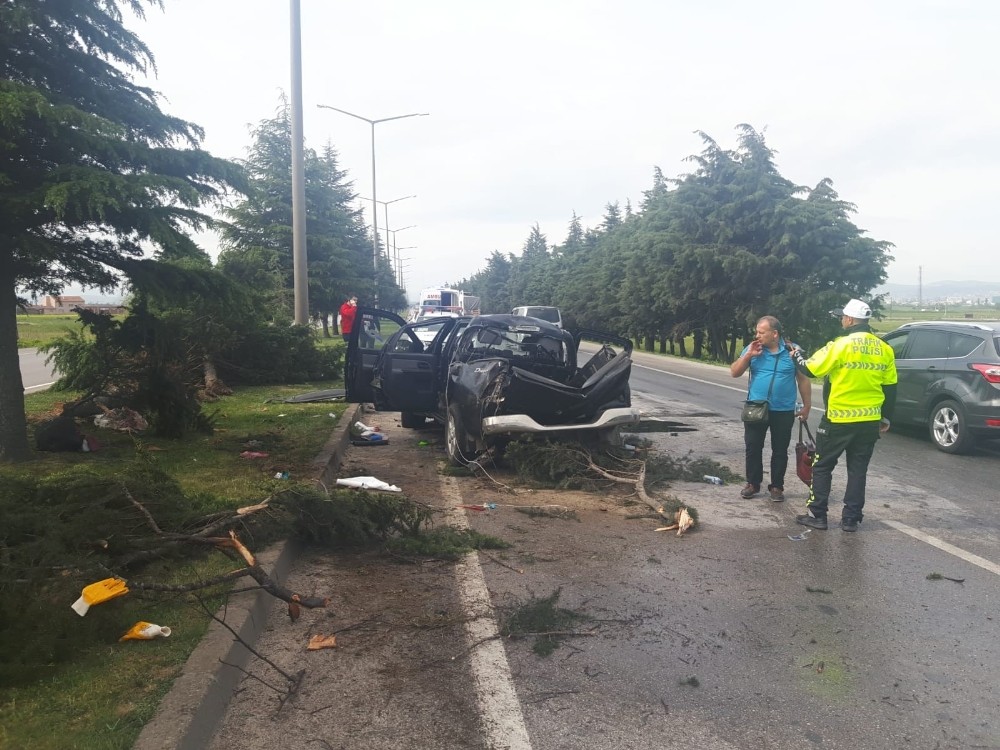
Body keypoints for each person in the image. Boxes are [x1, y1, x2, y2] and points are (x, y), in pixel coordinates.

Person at [789, 299, 897, 532]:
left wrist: (796, 354)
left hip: (838, 419)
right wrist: (885, 418)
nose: (841, 320)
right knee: (858, 469)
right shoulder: (884, 348)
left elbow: (810, 368)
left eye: (842, 317)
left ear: (849, 319)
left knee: (822, 466)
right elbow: (890, 388)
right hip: (869, 421)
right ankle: (850, 519)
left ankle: (817, 514)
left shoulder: (840, 345)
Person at [730, 316, 812, 502]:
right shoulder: (753, 348)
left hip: (783, 410)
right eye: (757, 331)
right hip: (756, 408)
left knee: (780, 450)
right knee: (753, 447)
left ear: (774, 334)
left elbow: (803, 379)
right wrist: (748, 355)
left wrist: (807, 406)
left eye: (761, 332)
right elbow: (734, 372)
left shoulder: (793, 350)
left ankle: (777, 486)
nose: (757, 335)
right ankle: (752, 483)